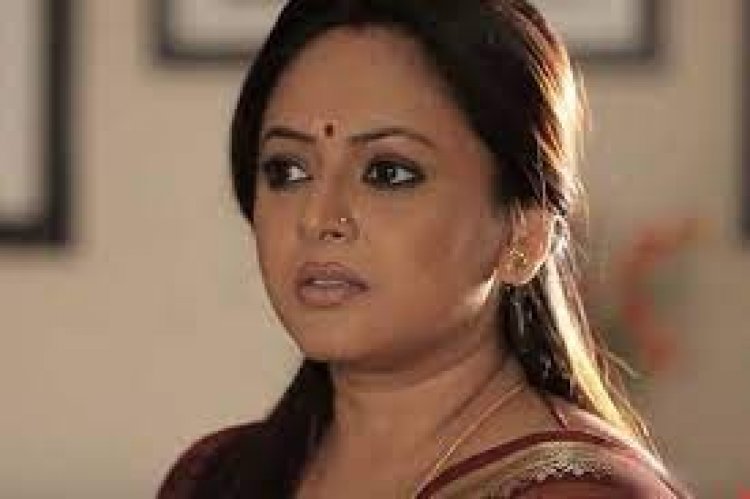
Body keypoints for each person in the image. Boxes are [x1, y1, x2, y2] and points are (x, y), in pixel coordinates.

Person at [157, 0, 692, 497]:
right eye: (287, 171)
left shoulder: (581, 493)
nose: (317, 218)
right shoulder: (214, 478)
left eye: (388, 173)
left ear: (524, 234)